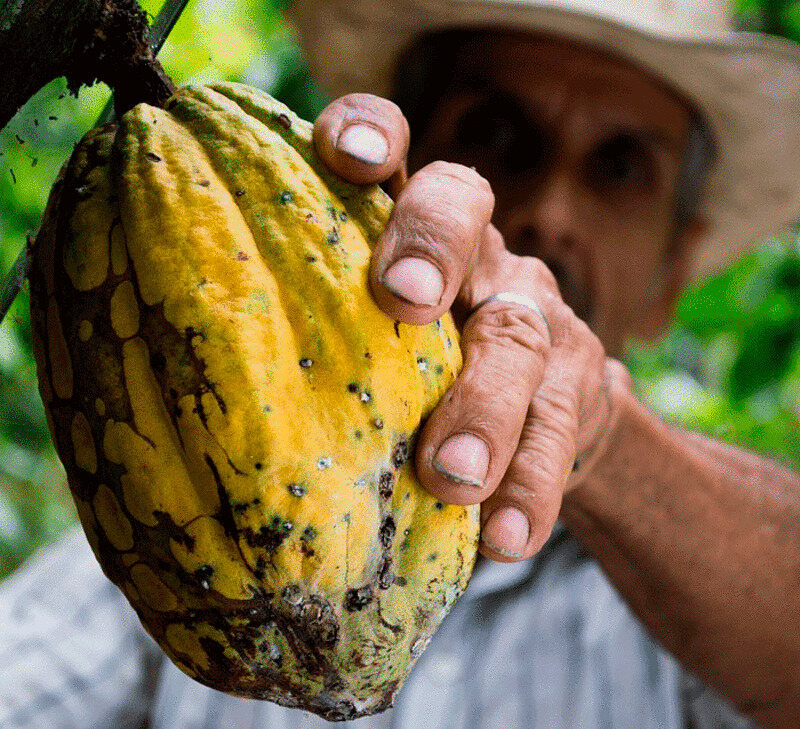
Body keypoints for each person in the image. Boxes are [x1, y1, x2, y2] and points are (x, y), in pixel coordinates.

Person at [3, 0, 800, 727]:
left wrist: (604, 439)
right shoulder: (177, 519)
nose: (553, 210)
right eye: (494, 132)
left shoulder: (705, 618)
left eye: (620, 167)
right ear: (394, 171)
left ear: (676, 265)